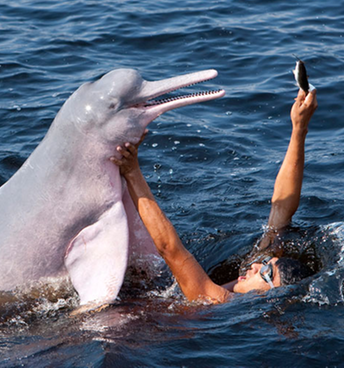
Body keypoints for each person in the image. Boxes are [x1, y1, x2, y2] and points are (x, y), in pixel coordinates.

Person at [110, 88, 318, 304]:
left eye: (265, 273)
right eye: (265, 263)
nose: (255, 266)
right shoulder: (248, 282)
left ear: (271, 295)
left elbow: (169, 249)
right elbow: (281, 210)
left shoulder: (216, 300)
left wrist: (132, 171)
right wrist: (299, 128)